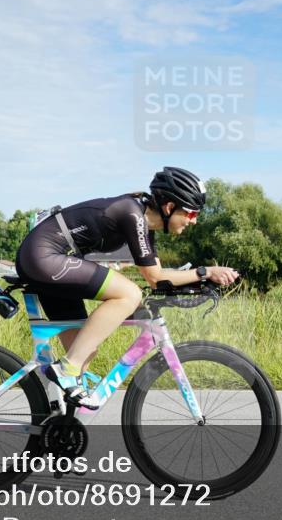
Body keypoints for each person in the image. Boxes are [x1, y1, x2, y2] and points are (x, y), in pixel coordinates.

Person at [13, 167, 239, 409]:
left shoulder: (144, 225)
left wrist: (199, 280)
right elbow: (153, 278)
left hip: (52, 261)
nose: (194, 220)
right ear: (169, 207)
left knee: (85, 354)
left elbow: (160, 277)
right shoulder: (132, 214)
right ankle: (64, 369)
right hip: (44, 257)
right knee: (129, 294)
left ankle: (53, 426)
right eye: (192, 213)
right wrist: (204, 271)